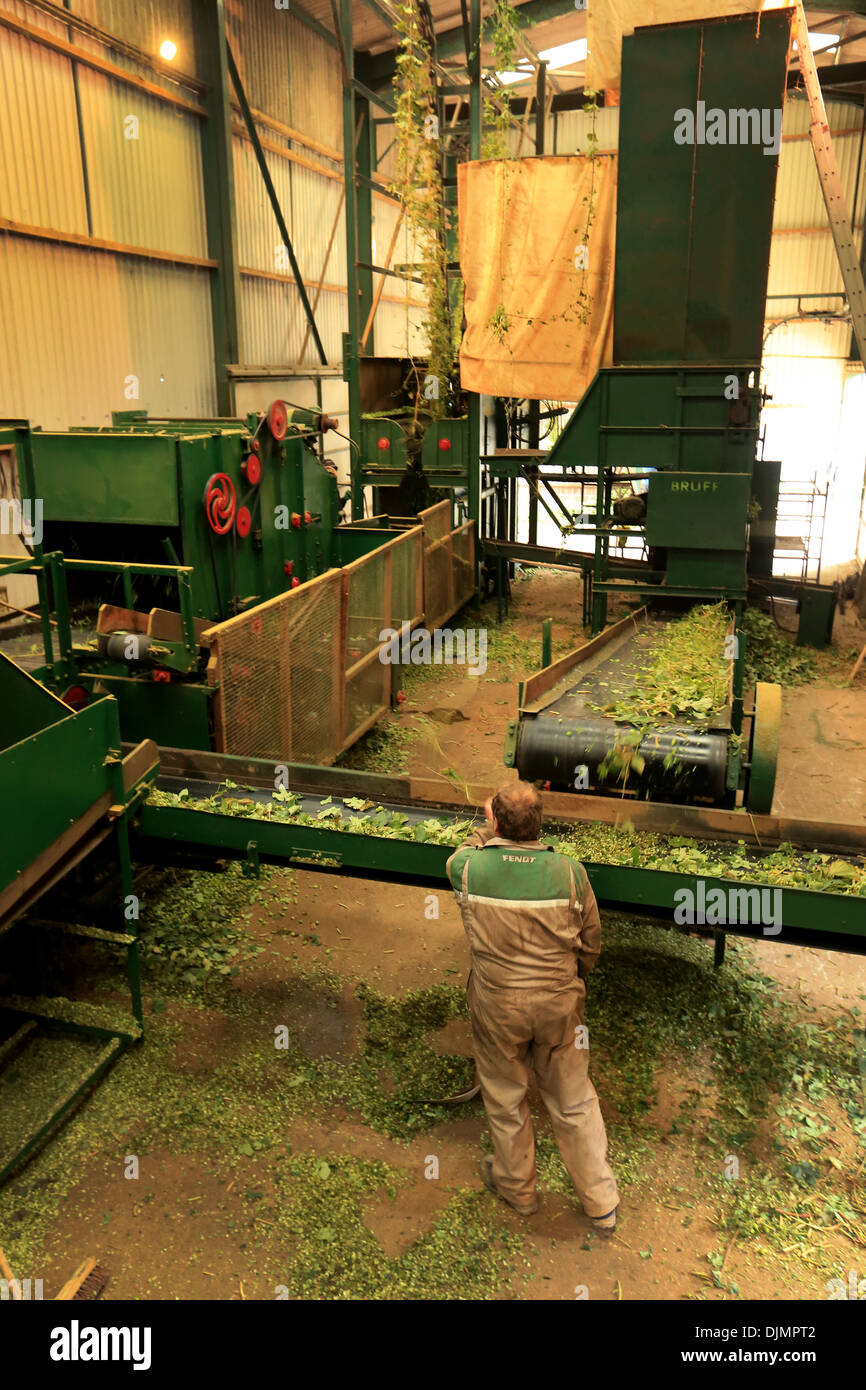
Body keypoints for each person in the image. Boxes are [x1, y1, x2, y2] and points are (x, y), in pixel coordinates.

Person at [446, 780, 619, 1232]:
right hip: (559, 1006)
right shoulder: (569, 872)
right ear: (541, 823)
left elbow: (464, 851)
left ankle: (519, 1191)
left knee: (505, 1096)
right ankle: (600, 1204)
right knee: (574, 1099)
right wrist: (573, 981)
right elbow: (591, 941)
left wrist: (486, 830)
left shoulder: (466, 867)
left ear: (496, 821)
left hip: (497, 1004)